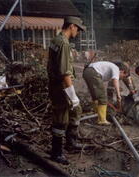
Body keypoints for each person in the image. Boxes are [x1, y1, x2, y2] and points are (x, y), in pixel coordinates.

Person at [47, 16, 86, 165]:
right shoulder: (63, 44)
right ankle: (56, 152)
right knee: (61, 118)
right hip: (61, 87)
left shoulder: (56, 39)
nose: (78, 32)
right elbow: (64, 72)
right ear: (71, 27)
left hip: (58, 85)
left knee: (76, 111)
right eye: (78, 29)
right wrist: (72, 95)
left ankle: (71, 143)